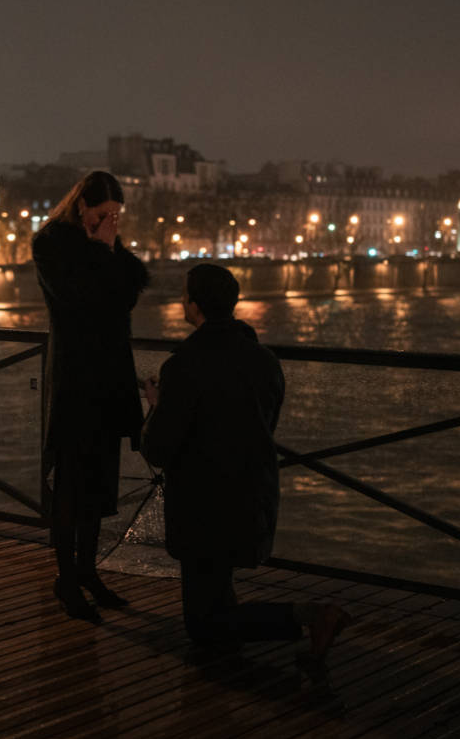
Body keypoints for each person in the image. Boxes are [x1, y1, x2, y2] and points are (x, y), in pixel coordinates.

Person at [141, 263, 351, 659]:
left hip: (203, 505)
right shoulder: (265, 360)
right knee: (216, 598)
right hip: (252, 495)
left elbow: (158, 448)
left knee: (202, 624)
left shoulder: (184, 364)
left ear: (195, 305)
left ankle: (308, 615)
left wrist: (156, 407)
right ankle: (282, 627)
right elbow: (262, 425)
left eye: (185, 294)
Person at [32, 170, 150, 620]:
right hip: (76, 378)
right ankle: (67, 578)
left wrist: (108, 252)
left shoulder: (108, 248)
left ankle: (87, 570)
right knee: (69, 486)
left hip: (108, 377)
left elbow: (125, 299)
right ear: (81, 204)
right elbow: (75, 298)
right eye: (104, 214)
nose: (111, 222)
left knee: (101, 481)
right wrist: (102, 251)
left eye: (117, 216)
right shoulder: (51, 244)